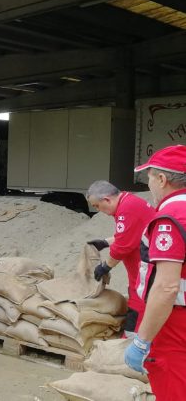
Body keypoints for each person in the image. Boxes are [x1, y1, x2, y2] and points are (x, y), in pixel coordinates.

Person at [124, 145, 186, 399]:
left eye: (149, 177)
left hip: (175, 324)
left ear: (162, 179)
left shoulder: (171, 216)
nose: (148, 184)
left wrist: (142, 340)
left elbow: (167, 287)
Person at [85, 180, 154, 338]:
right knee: (138, 298)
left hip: (145, 271)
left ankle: (131, 342)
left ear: (107, 200)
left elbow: (122, 247)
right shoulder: (129, 203)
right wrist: (105, 242)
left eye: (97, 206)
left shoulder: (127, 210)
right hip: (140, 270)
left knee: (139, 305)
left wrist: (105, 267)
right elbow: (129, 235)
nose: (98, 210)